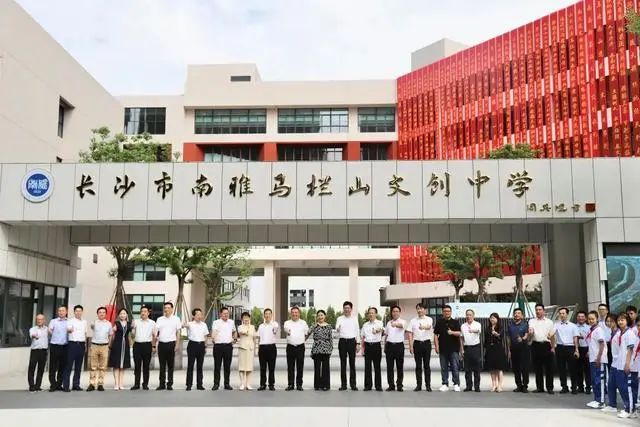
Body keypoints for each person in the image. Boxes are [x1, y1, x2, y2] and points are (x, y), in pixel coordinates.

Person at [603, 313, 637, 419]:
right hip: (617, 363)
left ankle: (630, 410)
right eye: (619, 320)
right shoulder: (621, 333)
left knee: (626, 388)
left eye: (622, 320)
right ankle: (619, 406)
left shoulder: (629, 333)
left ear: (627, 321)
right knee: (616, 386)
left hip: (625, 364)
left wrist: (627, 364)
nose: (620, 322)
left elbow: (630, 349)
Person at [528, 303, 556, 394]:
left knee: (549, 368)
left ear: (543, 311)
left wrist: (553, 347)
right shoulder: (532, 321)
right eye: (536, 310)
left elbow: (552, 335)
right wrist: (530, 333)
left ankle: (550, 387)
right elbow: (530, 332)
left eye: (540, 310)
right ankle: (539, 387)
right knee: (537, 368)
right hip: (536, 345)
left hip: (546, 345)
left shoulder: (549, 322)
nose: (538, 311)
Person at [434, 304, 462, 392]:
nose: (447, 313)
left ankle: (456, 384)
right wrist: (436, 346)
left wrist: (452, 332)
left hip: (454, 349)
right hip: (443, 348)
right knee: (443, 367)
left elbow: (460, 333)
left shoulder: (455, 322)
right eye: (445, 311)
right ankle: (444, 384)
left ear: (451, 312)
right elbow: (435, 335)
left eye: (448, 311)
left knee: (455, 367)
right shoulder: (439, 322)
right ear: (442, 312)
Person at [155, 302, 182, 391]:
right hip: (161, 344)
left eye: (168, 307)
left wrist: (177, 344)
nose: (166, 309)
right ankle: (161, 384)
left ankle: (170, 384)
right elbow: (156, 331)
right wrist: (155, 341)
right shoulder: (159, 319)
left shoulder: (176, 319)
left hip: (171, 344)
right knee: (162, 365)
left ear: (172, 309)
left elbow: (178, 332)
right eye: (165, 308)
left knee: (170, 365)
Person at [408, 302, 434, 392]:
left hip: (426, 343)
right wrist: (410, 345)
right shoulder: (413, 321)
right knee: (418, 365)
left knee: (427, 365)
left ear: (425, 310)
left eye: (421, 308)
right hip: (417, 344)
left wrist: (423, 327)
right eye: (418, 308)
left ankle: (428, 385)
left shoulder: (429, 319)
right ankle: (418, 385)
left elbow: (429, 326)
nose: (419, 310)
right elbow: (410, 333)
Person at [554, 307, 580, 394]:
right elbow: (552, 334)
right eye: (560, 313)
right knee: (561, 368)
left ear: (567, 314)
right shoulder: (556, 325)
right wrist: (553, 345)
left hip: (570, 347)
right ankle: (564, 386)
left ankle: (574, 387)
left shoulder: (573, 326)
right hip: (560, 347)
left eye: (563, 313)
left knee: (573, 368)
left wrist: (576, 350)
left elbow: (575, 338)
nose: (562, 315)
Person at [131, 305, 156, 390]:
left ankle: (145, 384)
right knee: (137, 366)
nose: (143, 313)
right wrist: (132, 328)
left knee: (146, 366)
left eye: (145, 311)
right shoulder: (136, 322)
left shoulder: (152, 323)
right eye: (141, 311)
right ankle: (136, 384)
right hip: (137, 345)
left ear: (148, 313)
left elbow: (154, 335)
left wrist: (154, 346)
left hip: (147, 345)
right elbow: (132, 335)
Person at [585, 311, 607, 409]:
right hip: (593, 359)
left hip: (599, 359)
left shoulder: (599, 330)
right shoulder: (591, 330)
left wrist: (598, 358)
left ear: (597, 319)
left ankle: (601, 401)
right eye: (589, 319)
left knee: (599, 380)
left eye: (593, 319)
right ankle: (596, 399)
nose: (591, 321)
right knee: (594, 380)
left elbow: (602, 344)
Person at [62, 304, 87, 392]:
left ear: (82, 312)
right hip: (72, 344)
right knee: (68, 365)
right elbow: (68, 329)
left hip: (81, 344)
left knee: (78, 366)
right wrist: (70, 330)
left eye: (80, 311)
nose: (78, 312)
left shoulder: (84, 322)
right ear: (74, 312)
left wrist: (85, 345)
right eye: (76, 311)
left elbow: (85, 333)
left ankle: (76, 385)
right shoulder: (70, 321)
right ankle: (66, 386)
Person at [87, 306, 112, 392]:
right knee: (93, 366)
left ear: (106, 314)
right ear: (97, 314)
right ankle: (92, 384)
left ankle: (100, 384)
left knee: (103, 366)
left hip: (104, 346)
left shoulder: (109, 324)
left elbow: (110, 335)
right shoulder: (94, 322)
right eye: (100, 312)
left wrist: (109, 345)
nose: (102, 314)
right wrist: (92, 325)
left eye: (103, 312)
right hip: (94, 345)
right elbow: (92, 327)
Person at [283, 306, 309, 391]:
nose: (294, 314)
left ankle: (299, 384)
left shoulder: (303, 323)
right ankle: (290, 384)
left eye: (296, 312)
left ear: (299, 313)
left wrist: (302, 340)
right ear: (291, 314)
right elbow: (286, 331)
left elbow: (307, 333)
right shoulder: (287, 323)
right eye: (293, 312)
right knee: (290, 366)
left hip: (300, 347)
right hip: (290, 347)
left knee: (300, 366)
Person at [336, 301, 359, 391]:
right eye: (345, 308)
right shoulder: (339, 318)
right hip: (342, 342)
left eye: (348, 308)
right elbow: (337, 328)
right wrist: (338, 328)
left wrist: (358, 343)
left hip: (352, 342)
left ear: (351, 309)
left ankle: (353, 384)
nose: (346, 309)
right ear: (343, 309)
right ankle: (343, 385)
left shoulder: (354, 319)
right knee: (343, 364)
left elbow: (357, 331)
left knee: (352, 364)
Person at [211, 306, 236, 391]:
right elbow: (214, 331)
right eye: (224, 313)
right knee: (217, 366)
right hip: (218, 346)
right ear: (220, 314)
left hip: (228, 346)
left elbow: (234, 331)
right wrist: (213, 338)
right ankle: (216, 384)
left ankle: (227, 384)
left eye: (227, 313)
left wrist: (235, 339)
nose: (226, 315)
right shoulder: (216, 322)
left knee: (227, 366)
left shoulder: (231, 322)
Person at [308, 310, 333, 391]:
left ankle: (325, 385)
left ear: (325, 316)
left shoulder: (329, 326)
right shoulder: (314, 325)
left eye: (322, 315)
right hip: (316, 348)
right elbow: (308, 332)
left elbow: (330, 338)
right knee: (317, 367)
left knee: (326, 368)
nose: (320, 317)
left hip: (326, 349)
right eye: (318, 315)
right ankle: (317, 385)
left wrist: (331, 348)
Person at [184, 308, 209, 391]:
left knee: (200, 366)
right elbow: (183, 325)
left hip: (201, 345)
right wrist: (184, 325)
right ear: (193, 316)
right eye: (197, 314)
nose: (199, 316)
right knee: (190, 365)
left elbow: (205, 336)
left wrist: (205, 346)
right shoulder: (190, 324)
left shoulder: (204, 324)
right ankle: (189, 384)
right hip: (192, 345)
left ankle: (199, 384)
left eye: (200, 314)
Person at [360, 307, 383, 391]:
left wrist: (376, 331)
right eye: (369, 313)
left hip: (376, 346)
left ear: (376, 314)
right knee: (367, 367)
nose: (370, 314)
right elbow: (363, 337)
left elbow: (380, 329)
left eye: (372, 313)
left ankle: (378, 386)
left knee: (377, 367)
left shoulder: (379, 323)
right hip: (368, 346)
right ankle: (368, 385)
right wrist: (362, 349)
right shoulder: (365, 325)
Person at [507, 308, 530, 393]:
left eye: (518, 313)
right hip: (513, 349)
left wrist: (522, 339)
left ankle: (525, 386)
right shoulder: (510, 325)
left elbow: (527, 335)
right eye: (515, 313)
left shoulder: (525, 324)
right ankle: (518, 385)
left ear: (522, 315)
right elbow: (508, 338)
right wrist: (509, 350)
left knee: (524, 368)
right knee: (516, 368)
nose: (516, 314)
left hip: (523, 348)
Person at [108, 308, 131, 391]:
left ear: (126, 315)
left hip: (126, 345)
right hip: (117, 345)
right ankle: (116, 384)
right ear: (118, 315)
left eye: (124, 313)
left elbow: (132, 334)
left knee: (122, 366)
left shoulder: (129, 324)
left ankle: (121, 383)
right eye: (121, 313)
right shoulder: (116, 323)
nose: (122, 315)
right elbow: (111, 334)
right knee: (116, 365)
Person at [384, 305, 406, 392]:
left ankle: (399, 385)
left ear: (400, 313)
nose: (395, 313)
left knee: (399, 366)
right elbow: (386, 335)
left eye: (397, 311)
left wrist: (395, 324)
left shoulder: (403, 321)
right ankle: (391, 385)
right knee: (390, 367)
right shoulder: (388, 323)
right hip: (389, 346)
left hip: (399, 346)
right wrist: (385, 346)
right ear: (391, 313)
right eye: (393, 311)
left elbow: (401, 326)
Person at [601, 313, 619, 414]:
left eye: (611, 321)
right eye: (607, 321)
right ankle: (612, 405)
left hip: (619, 361)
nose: (608, 323)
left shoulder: (619, 332)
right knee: (611, 383)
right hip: (613, 360)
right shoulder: (612, 332)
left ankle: (630, 406)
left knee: (622, 385)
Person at [48, 306, 68, 392]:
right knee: (53, 366)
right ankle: (53, 384)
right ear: (57, 312)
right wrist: (54, 334)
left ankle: (59, 384)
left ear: (66, 312)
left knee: (62, 366)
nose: (61, 312)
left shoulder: (69, 321)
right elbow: (49, 330)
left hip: (65, 346)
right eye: (59, 311)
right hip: (55, 346)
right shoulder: (53, 321)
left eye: (63, 311)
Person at [257, 308, 279, 391]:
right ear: (264, 315)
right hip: (262, 348)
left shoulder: (274, 324)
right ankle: (262, 384)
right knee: (262, 368)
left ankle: (271, 384)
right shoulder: (261, 326)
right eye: (266, 314)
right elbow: (259, 338)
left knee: (271, 367)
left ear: (271, 315)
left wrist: (274, 327)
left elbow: (275, 331)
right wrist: (258, 348)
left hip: (271, 347)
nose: (267, 315)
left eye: (269, 314)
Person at [460, 309, 482, 392]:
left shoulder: (477, 324)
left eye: (470, 315)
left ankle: (477, 386)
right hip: (466, 347)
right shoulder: (463, 325)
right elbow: (461, 338)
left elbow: (478, 331)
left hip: (475, 347)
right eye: (467, 315)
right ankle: (468, 386)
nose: (468, 316)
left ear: (473, 316)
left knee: (476, 368)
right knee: (467, 368)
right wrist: (461, 349)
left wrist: (472, 330)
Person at [485, 312, 507, 392]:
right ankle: (494, 385)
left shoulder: (501, 327)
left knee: (499, 368)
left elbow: (501, 337)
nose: (492, 319)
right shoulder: (488, 328)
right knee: (492, 368)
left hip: (498, 349)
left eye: (494, 318)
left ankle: (500, 386)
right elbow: (486, 339)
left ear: (497, 319)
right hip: (490, 349)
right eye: (491, 318)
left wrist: (496, 334)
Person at [27, 314, 48, 392]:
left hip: (44, 351)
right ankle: (31, 386)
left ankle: (37, 386)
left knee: (41, 369)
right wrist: (34, 336)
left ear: (44, 320)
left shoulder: (47, 329)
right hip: (35, 351)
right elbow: (32, 335)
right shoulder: (32, 329)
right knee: (32, 368)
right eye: (38, 319)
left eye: (41, 319)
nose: (39, 321)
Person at [237, 312, 256, 391]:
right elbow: (242, 332)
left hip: (250, 348)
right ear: (242, 319)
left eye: (247, 317)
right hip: (242, 348)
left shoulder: (252, 327)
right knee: (242, 366)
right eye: (244, 318)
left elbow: (254, 338)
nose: (246, 319)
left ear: (249, 318)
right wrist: (247, 328)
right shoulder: (240, 327)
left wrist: (255, 349)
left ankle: (248, 384)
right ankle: (242, 383)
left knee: (249, 367)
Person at [575, 311, 591, 394]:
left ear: (585, 318)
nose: (580, 318)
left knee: (587, 369)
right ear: (577, 318)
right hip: (577, 349)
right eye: (579, 316)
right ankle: (580, 386)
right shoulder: (573, 327)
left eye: (582, 316)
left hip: (586, 349)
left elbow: (591, 340)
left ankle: (588, 387)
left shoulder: (589, 328)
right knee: (578, 369)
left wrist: (589, 351)